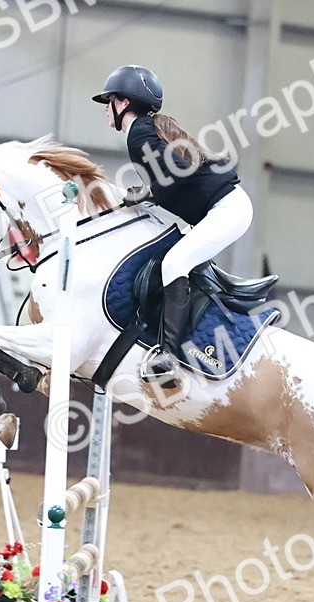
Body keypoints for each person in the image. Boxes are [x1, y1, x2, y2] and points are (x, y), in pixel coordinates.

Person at [93, 64, 253, 387]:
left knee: (175, 262)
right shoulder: (149, 128)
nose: (106, 112)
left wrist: (148, 193)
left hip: (227, 208)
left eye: (108, 102)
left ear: (122, 103)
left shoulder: (138, 133)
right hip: (227, 207)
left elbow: (177, 170)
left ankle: (167, 356)